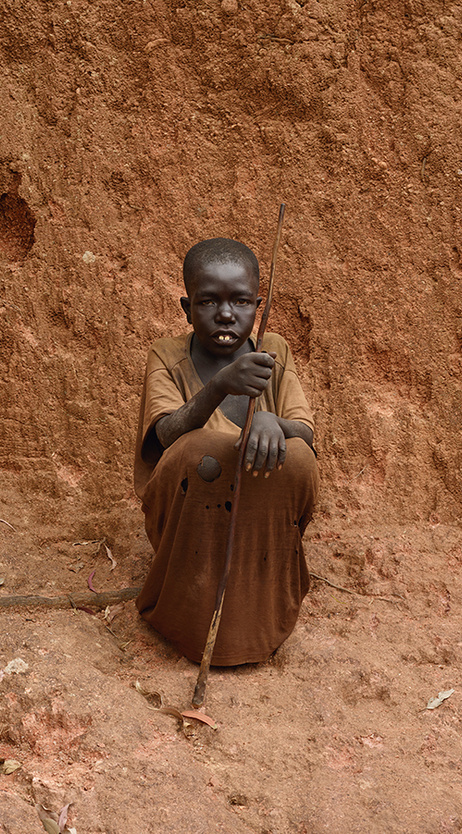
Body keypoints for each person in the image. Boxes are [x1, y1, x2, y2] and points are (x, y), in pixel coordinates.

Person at [133, 237, 319, 666]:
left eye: (240, 302)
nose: (226, 315)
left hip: (258, 524)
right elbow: (165, 435)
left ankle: (261, 604)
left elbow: (305, 434)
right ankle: (189, 613)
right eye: (208, 302)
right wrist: (219, 386)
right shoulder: (167, 355)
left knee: (299, 458)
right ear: (186, 307)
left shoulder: (274, 352)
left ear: (257, 305)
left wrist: (273, 422)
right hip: (193, 520)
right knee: (203, 452)